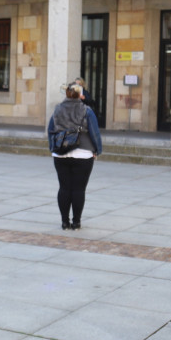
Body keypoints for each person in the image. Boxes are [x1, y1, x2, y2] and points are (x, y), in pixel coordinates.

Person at [48, 82, 103, 230]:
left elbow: (50, 130)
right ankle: (76, 222)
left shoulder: (57, 109)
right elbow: (94, 132)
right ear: (80, 95)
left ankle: (64, 222)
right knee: (79, 189)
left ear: (66, 94)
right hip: (83, 153)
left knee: (64, 188)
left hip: (60, 153)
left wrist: (52, 147)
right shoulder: (86, 110)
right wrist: (98, 149)